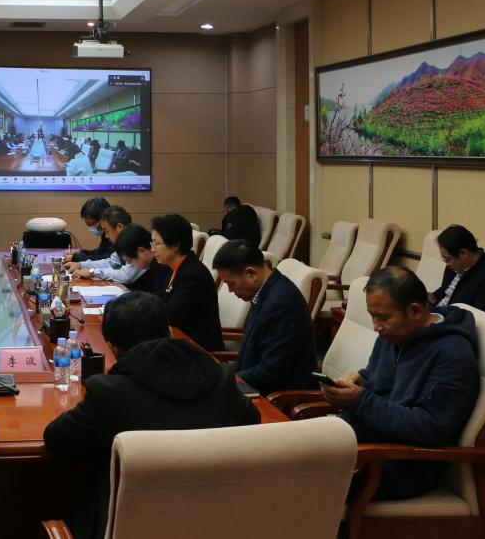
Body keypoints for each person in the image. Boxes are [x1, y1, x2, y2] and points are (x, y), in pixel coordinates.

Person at [44, 291, 258, 539]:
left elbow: (55, 438)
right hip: (214, 522)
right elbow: (252, 420)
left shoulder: (110, 394)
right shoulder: (220, 377)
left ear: (113, 347)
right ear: (168, 330)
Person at [320, 267, 479, 501]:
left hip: (401, 464)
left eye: (383, 317)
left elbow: (431, 428)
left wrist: (360, 401)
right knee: (284, 454)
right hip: (364, 441)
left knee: (296, 477)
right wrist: (359, 378)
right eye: (372, 316)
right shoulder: (394, 334)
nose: (376, 326)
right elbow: (381, 378)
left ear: (414, 311)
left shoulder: (453, 353)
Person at [212, 239, 319, 394]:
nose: (229, 290)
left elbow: (273, 372)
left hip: (282, 398)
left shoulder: (281, 303)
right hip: (256, 385)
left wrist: (227, 380)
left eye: (231, 283)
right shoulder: (265, 291)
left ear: (251, 273)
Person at [151, 213, 222, 351]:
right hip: (179, 342)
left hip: (199, 351)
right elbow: (161, 297)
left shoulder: (193, 274)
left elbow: (171, 315)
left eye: (157, 243)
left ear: (176, 245)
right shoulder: (177, 266)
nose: (153, 249)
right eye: (152, 243)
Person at [428, 224, 485, 315]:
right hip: (438, 313)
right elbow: (446, 291)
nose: (447, 264)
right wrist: (433, 297)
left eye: (448, 259)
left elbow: (478, 318)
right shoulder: (455, 265)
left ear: (463, 253)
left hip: (453, 320)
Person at [67, 205, 137, 283]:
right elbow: (110, 263)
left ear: (119, 227)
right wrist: (81, 265)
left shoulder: (137, 242)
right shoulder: (123, 244)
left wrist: (93, 272)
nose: (106, 236)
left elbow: (126, 275)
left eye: (107, 231)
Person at [116, 224, 171, 294]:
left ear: (141, 250)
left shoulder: (163, 267)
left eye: (129, 261)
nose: (130, 265)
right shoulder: (150, 266)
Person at [70, 197, 113, 263]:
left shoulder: (115, 234)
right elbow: (100, 252)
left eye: (92, 224)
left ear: (103, 218)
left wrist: (77, 258)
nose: (90, 228)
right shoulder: (105, 232)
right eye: (88, 225)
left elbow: (106, 259)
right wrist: (80, 252)